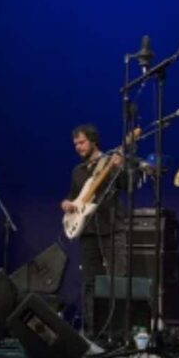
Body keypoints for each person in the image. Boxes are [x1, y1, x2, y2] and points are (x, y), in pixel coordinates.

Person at [60, 124, 125, 339]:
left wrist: (119, 167)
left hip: (111, 228)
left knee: (116, 281)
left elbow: (127, 185)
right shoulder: (77, 171)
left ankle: (117, 334)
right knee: (90, 283)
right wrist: (67, 204)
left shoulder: (109, 162)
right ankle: (90, 334)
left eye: (82, 142)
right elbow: (73, 196)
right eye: (75, 144)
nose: (78, 147)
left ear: (93, 141)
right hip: (87, 231)